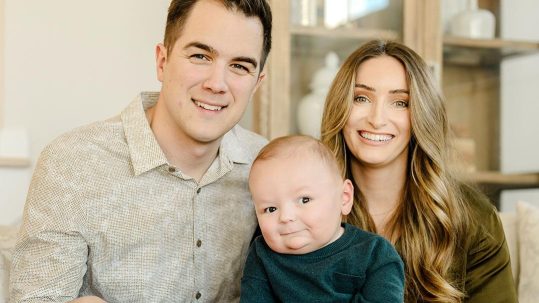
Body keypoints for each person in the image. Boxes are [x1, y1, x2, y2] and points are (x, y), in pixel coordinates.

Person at [9, 0, 272, 302]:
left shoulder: (266, 168)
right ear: (162, 61)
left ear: (256, 84)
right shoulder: (72, 163)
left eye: (240, 66)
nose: (217, 83)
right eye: (200, 56)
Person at [320, 40, 517, 302]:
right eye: (361, 98)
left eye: (400, 102)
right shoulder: (300, 208)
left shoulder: (474, 220)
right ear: (340, 108)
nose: (377, 119)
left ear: (421, 115)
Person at [240, 135, 405, 302]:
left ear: (344, 198)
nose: (286, 217)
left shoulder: (374, 254)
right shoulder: (262, 256)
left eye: (304, 200)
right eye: (270, 209)